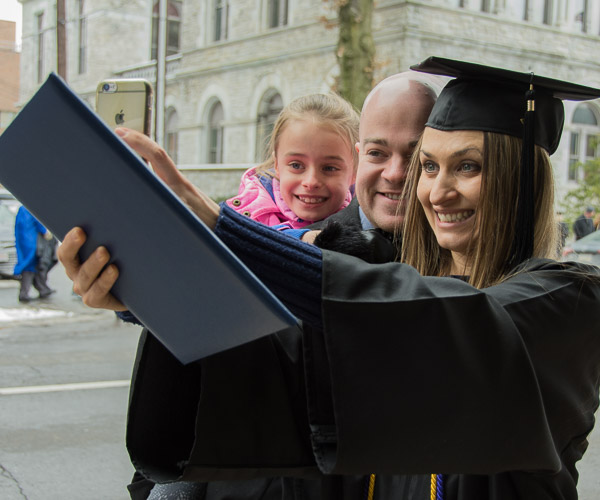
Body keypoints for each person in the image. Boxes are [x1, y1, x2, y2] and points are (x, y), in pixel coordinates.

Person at [58, 58, 600, 499]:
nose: (434, 191)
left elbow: (447, 323)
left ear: (520, 178)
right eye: (429, 167)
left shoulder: (567, 301)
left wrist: (219, 226)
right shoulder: (394, 274)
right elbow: (282, 353)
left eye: (467, 166)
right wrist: (150, 292)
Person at [225, 93, 358, 228]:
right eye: (296, 165)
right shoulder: (242, 224)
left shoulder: (370, 225)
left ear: (354, 172)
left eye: (330, 168)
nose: (311, 182)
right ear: (277, 164)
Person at [14, 205, 55, 302]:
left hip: (23, 242)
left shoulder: (22, 209)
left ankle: (43, 289)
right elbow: (38, 222)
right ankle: (25, 294)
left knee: (30, 265)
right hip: (31, 242)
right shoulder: (30, 208)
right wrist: (45, 232)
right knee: (30, 266)